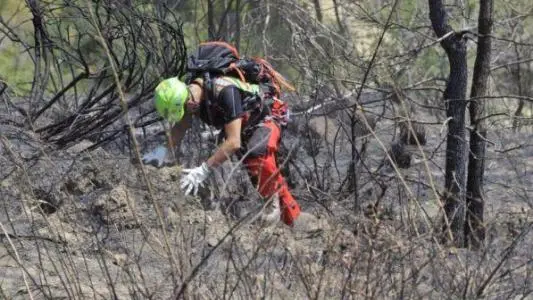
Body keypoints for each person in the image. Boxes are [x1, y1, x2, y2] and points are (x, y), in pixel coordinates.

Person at [142, 74, 301, 226]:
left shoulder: (225, 92)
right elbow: (181, 127)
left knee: (258, 158)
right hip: (245, 126)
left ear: (187, 101)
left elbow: (233, 142)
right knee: (257, 175)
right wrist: (162, 150)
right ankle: (295, 219)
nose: (187, 112)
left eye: (185, 108)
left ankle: (277, 209)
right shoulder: (190, 96)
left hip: (267, 117)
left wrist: (203, 170)